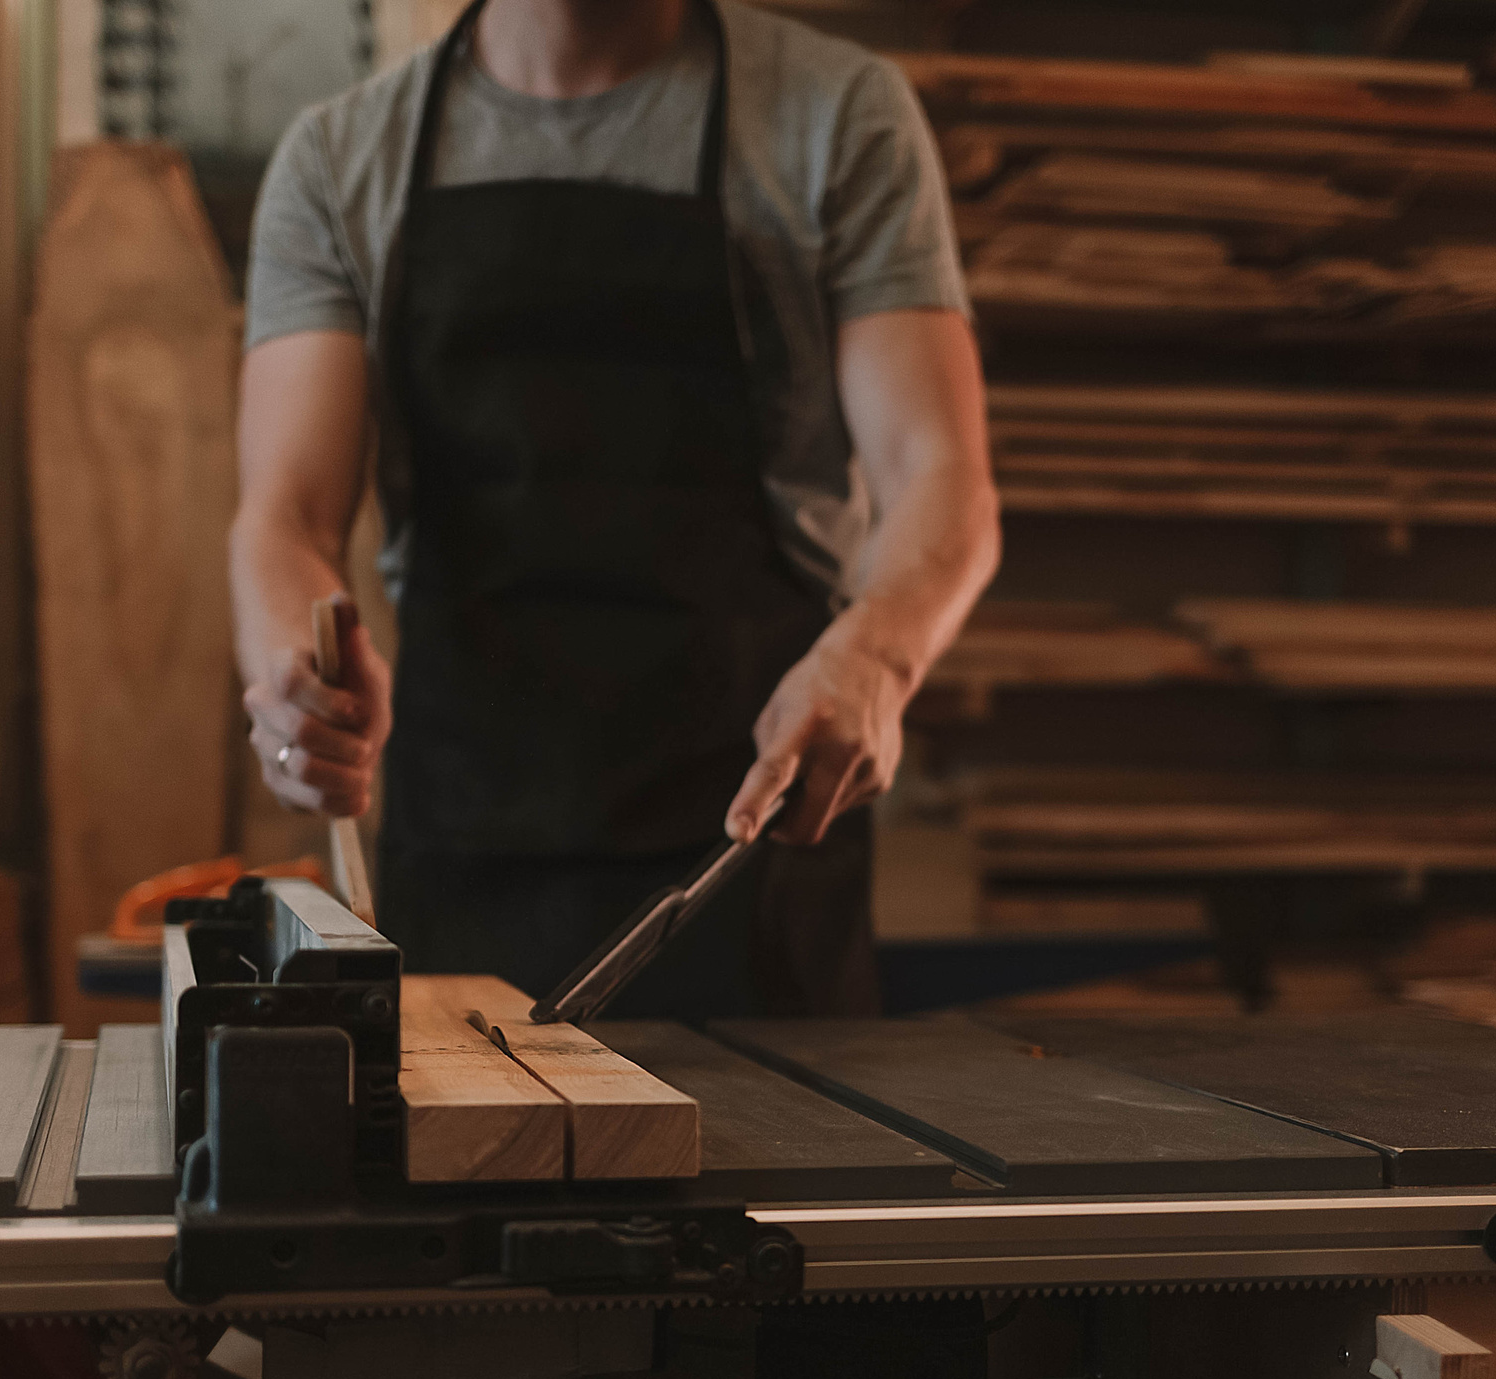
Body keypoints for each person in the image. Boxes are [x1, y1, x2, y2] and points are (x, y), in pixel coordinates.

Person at [231, 0, 997, 1020]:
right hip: (465, 839)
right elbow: (284, 515)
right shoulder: (342, 159)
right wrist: (297, 686)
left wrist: (876, 658)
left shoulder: (832, 113)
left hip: (752, 833)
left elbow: (940, 475)